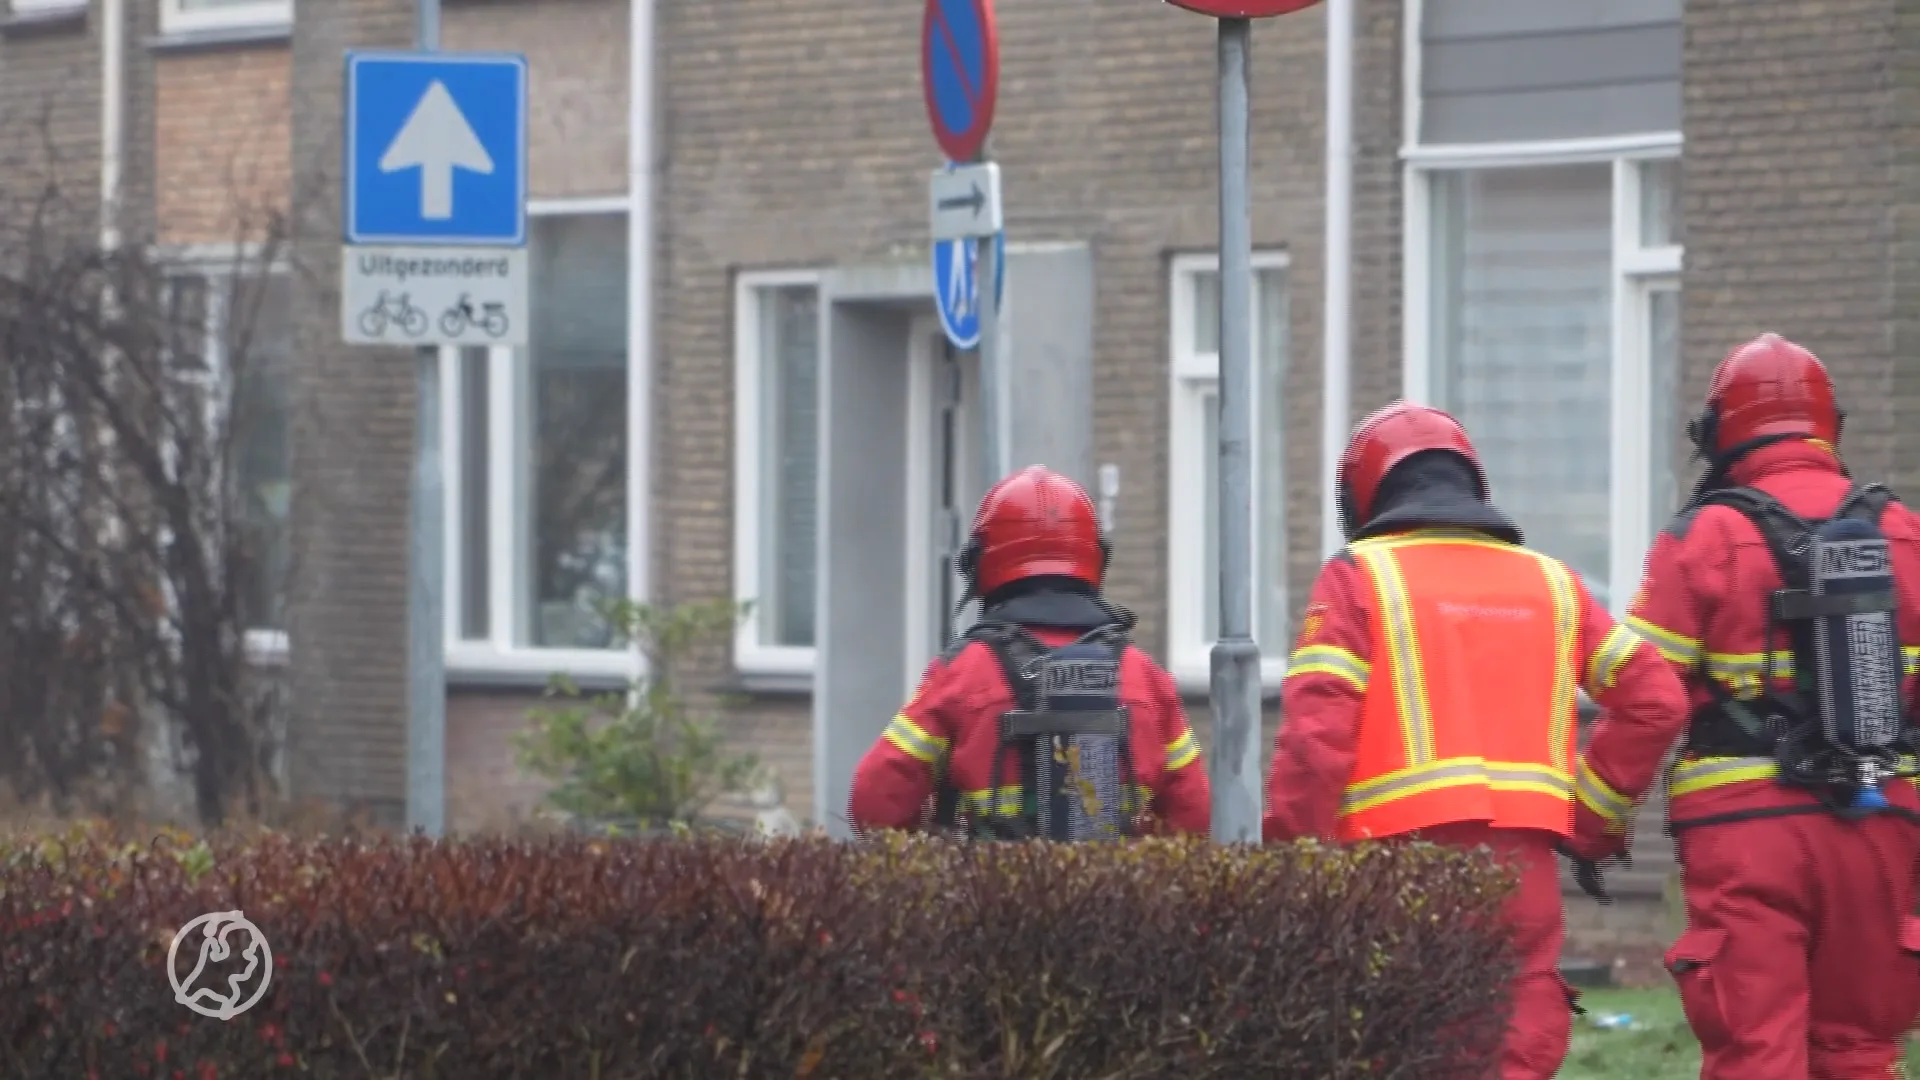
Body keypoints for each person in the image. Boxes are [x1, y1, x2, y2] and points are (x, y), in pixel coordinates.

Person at [1265, 401, 1688, 1080]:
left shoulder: (1358, 576)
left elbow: (1315, 743)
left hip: (1393, 874)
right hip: (1522, 876)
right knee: (1514, 1053)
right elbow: (1656, 702)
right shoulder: (1553, 583)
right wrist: (1591, 819)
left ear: (1364, 496)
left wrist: (1289, 865)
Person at [1569, 333, 1920, 1079]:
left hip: (1746, 833)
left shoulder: (1705, 537)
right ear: (1830, 426)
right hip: (1880, 825)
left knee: (1757, 1054)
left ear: (1720, 432)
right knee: (1859, 1052)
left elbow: (1648, 700)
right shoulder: (1902, 532)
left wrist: (1593, 826)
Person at [848, 465, 1210, 840]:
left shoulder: (962, 673)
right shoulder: (1145, 677)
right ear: (1096, 559)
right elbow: (1195, 813)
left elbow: (874, 801)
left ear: (981, 563)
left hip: (984, 879)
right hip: (1119, 879)